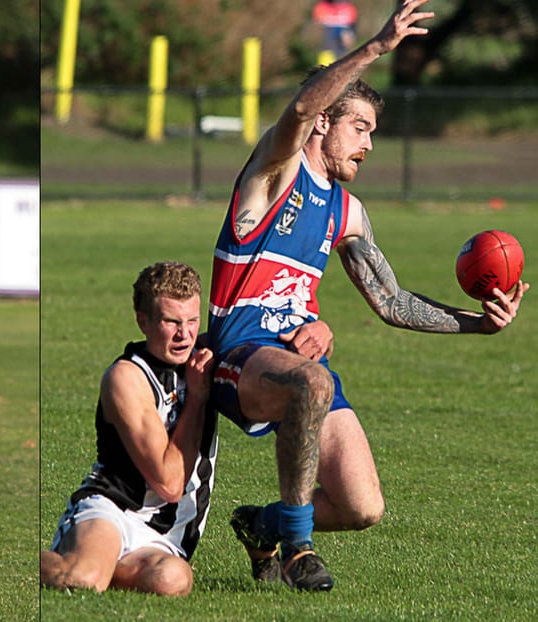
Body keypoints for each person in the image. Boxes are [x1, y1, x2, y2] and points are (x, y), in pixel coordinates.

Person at [206, 0, 524, 592]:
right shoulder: (273, 172)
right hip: (237, 353)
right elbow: (301, 105)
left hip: (301, 358)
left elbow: (392, 301)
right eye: (360, 128)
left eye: (374, 133)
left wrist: (478, 325)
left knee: (362, 508)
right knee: (314, 382)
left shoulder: (349, 213)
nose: (369, 146)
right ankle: (297, 552)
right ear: (325, 123)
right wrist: (376, 47)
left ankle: (261, 525)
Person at [41, 262, 217, 597]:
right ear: (144, 321)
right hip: (113, 508)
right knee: (82, 580)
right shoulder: (126, 377)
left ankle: (104, 565)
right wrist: (197, 399)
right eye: (170, 322)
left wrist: (316, 333)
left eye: (192, 321)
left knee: (173, 581)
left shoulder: (207, 359)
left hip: (163, 533)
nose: (184, 335)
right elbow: (168, 483)